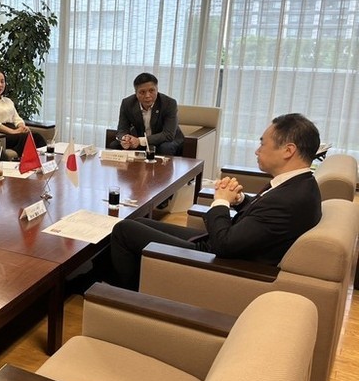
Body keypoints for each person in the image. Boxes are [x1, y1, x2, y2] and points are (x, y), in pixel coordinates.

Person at [109, 113, 323, 290]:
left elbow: (224, 244)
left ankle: (124, 294)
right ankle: (106, 274)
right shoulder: (301, 186)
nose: (257, 150)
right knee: (140, 223)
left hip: (216, 261)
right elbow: (262, 220)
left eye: (262, 144)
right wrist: (239, 200)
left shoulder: (290, 199)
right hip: (227, 247)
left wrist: (221, 202)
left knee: (125, 229)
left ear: (288, 150)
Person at [0, 69, 46, 158]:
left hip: (12, 130)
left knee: (36, 136)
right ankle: (23, 164)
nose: (0, 85)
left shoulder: (7, 100)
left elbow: (17, 118)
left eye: (2, 82)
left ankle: (45, 163)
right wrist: (13, 132)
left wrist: (21, 127)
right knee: (26, 137)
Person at [109, 72, 184, 155]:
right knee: (115, 145)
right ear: (136, 93)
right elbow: (122, 129)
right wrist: (125, 139)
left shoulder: (169, 103)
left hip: (167, 140)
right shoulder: (127, 103)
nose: (147, 95)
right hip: (140, 139)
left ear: (157, 89)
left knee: (165, 148)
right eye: (142, 92)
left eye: (151, 90)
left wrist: (140, 141)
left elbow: (168, 134)